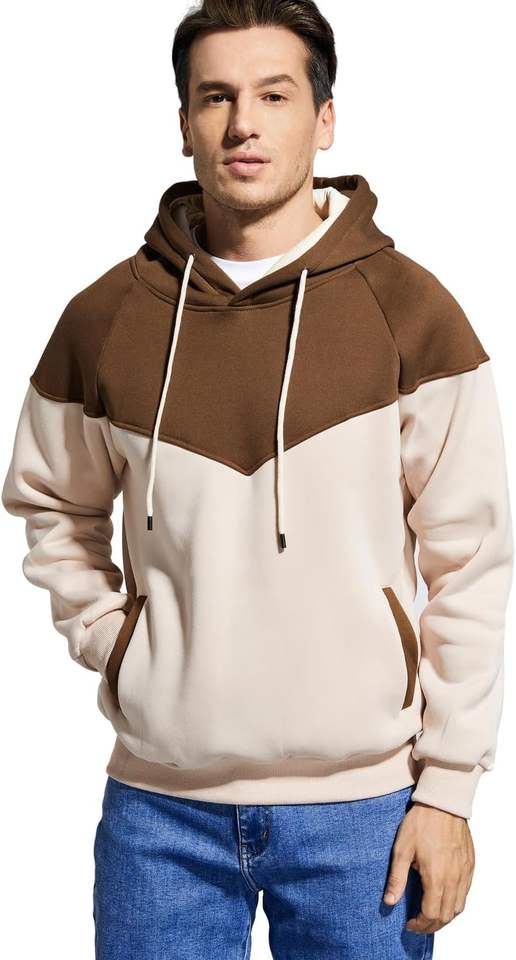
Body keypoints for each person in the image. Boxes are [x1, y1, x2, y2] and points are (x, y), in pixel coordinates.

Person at [2, 1, 513, 957]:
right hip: (159, 812)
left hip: (367, 812)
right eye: (217, 97)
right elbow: (52, 505)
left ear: (325, 119)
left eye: (275, 95)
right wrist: (119, 646)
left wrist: (449, 791)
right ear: (184, 122)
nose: (244, 123)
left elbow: (473, 563)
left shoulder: (411, 312)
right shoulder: (107, 317)